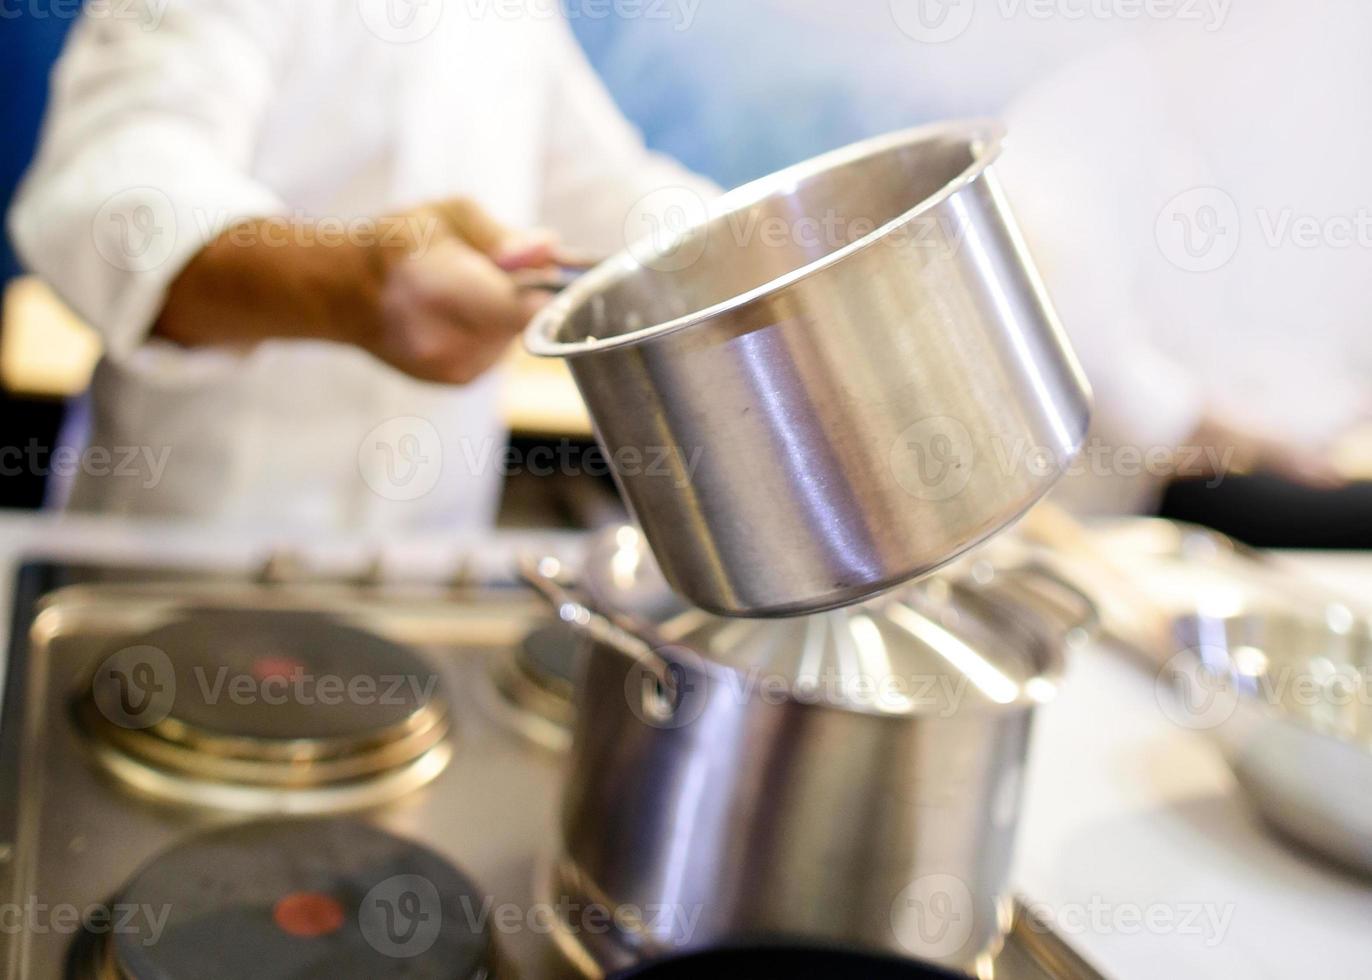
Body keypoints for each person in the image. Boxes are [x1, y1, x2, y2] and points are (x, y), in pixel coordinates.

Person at [9, 0, 717, 530]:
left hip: (429, 571)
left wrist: (775, 240)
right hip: (193, 548)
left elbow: (600, 185)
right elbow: (116, 194)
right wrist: (357, 287)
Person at [994, 1, 1370, 521]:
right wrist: (1258, 442)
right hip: (1093, 502)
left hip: (1162, 476)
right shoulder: (1082, 124)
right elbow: (1092, 361)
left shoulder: (1174, 122)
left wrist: (1320, 409)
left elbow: (1200, 337)